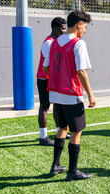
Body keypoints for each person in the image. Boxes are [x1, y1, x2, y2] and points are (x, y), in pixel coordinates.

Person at [43, 10, 96, 181]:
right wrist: (91, 95)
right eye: (85, 27)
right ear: (79, 24)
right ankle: (73, 171)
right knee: (76, 132)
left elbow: (45, 67)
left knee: (62, 129)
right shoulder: (78, 43)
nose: (85, 31)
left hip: (56, 95)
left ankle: (56, 165)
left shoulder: (54, 42)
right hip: (71, 94)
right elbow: (81, 71)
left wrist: (59, 76)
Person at [36, 17, 67, 146]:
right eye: (62, 28)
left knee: (57, 104)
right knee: (44, 106)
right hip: (45, 79)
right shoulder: (49, 43)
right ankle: (43, 137)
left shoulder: (56, 41)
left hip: (53, 79)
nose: (64, 31)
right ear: (55, 28)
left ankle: (59, 131)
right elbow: (47, 66)